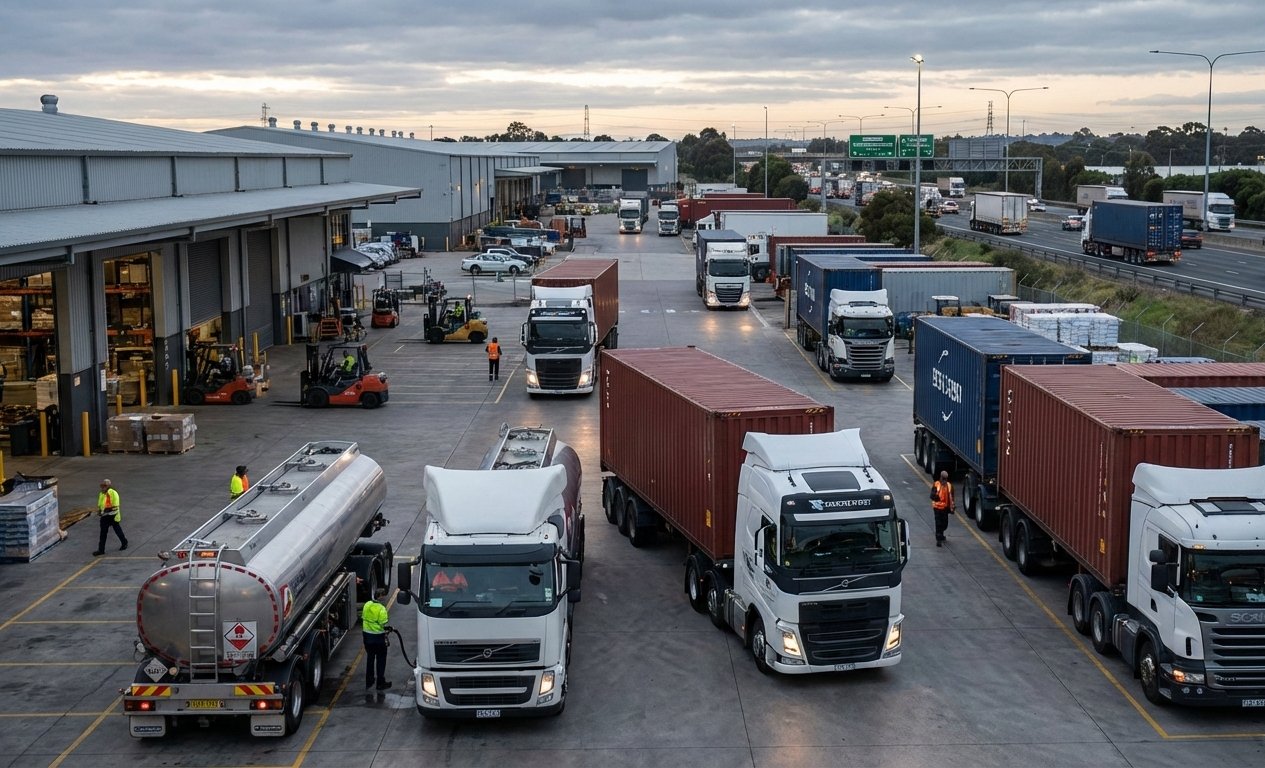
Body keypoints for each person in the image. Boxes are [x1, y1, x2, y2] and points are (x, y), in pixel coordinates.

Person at [361, 587, 392, 691]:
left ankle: (369, 681)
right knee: (381, 660)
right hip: (378, 638)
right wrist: (389, 629)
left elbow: (364, 618)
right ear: (381, 597)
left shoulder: (367, 605)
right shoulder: (381, 609)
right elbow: (384, 624)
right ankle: (380, 682)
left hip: (367, 638)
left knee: (370, 658)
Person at [94, 478, 128, 556]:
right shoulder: (101, 494)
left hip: (113, 515)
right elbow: (100, 504)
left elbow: (115, 506)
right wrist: (100, 511)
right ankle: (101, 550)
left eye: (104, 486)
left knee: (117, 531)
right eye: (102, 486)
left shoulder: (113, 493)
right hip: (105, 516)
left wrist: (107, 510)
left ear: (108, 486)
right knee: (103, 533)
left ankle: (124, 542)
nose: (103, 487)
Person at [931, 470, 955, 547]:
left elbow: (952, 498)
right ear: (940, 478)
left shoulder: (949, 486)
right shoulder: (936, 484)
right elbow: (932, 495)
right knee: (938, 523)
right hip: (937, 508)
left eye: (946, 479)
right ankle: (939, 539)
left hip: (945, 508)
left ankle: (941, 534)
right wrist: (936, 497)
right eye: (943, 478)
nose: (944, 480)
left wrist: (952, 508)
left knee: (945, 524)